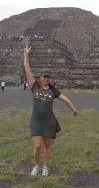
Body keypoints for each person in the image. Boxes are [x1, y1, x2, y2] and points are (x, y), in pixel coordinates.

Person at [24, 45, 78, 176]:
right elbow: (27, 71)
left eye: (48, 77)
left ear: (50, 78)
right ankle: (36, 166)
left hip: (49, 122)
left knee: (47, 145)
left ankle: (45, 167)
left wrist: (74, 110)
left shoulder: (53, 90)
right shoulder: (35, 86)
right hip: (36, 121)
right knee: (37, 146)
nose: (46, 78)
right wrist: (26, 55)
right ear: (41, 76)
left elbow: (66, 100)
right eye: (44, 76)